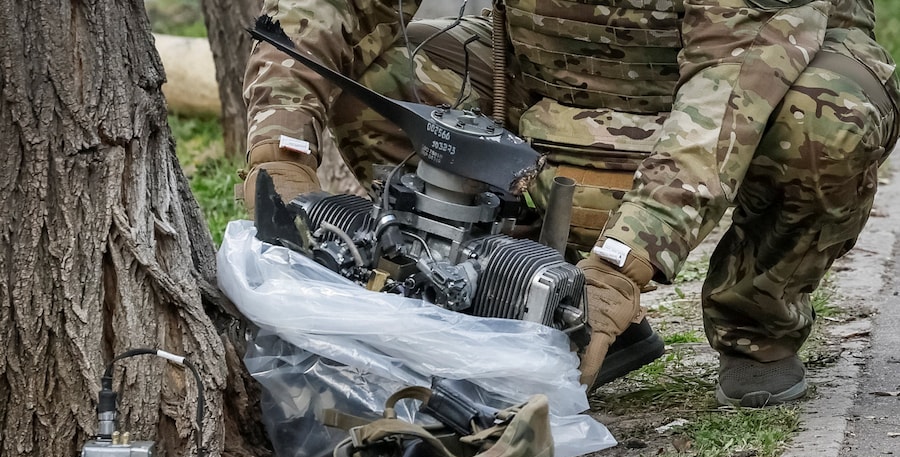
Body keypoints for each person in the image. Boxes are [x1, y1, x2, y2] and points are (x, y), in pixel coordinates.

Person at [242, 0, 899, 406]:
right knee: (377, 70)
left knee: (827, 123)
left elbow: (725, 100)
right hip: (554, 75)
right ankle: (505, 292)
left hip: (758, 77)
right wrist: (281, 145)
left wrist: (619, 268)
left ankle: (755, 318)